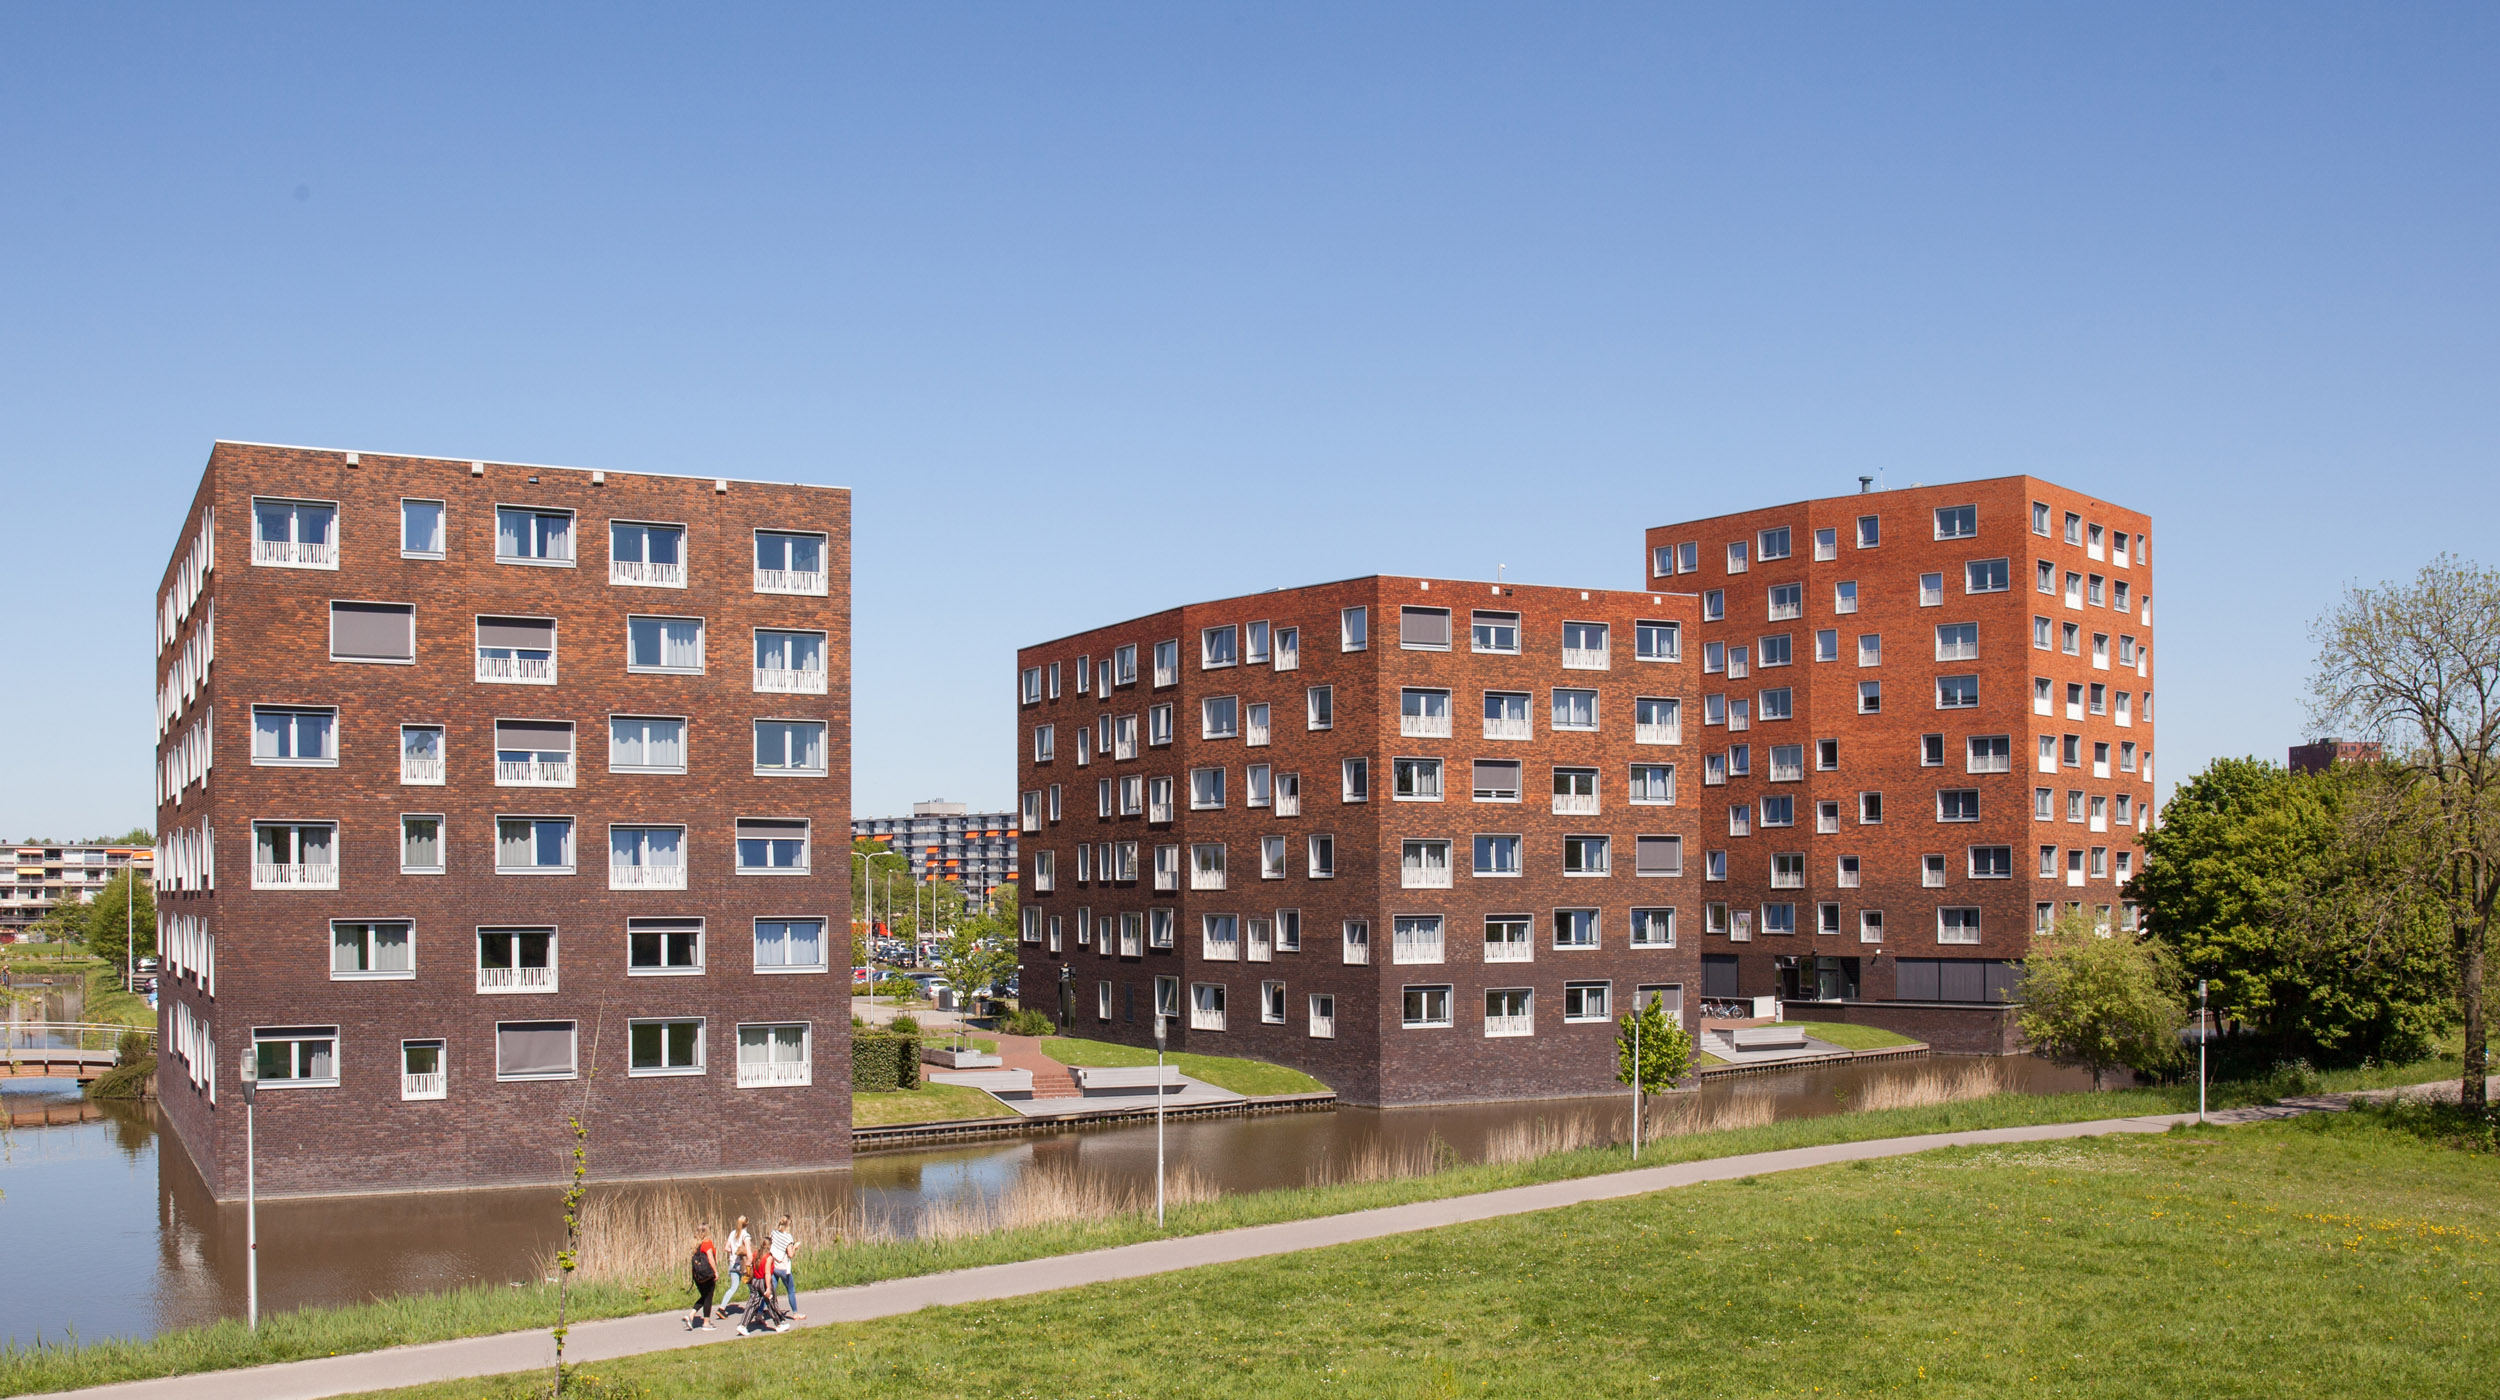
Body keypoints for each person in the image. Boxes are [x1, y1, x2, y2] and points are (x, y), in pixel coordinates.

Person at [737, 1243, 789, 1334]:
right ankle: (779, 1324)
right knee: (772, 1303)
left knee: (752, 1303)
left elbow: (748, 1263)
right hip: (763, 1281)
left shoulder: (755, 1254)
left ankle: (743, 1325)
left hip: (755, 1281)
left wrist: (750, 1273)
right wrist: (768, 1288)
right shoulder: (768, 1257)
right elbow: (767, 1273)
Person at [769, 1215, 804, 1320]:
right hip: (783, 1268)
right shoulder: (788, 1237)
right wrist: (795, 1247)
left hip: (773, 1266)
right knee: (791, 1290)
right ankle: (795, 1313)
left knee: (770, 1291)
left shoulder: (773, 1233)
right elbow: (790, 1254)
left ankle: (760, 1313)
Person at [720, 1216, 754, 1319]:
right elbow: (748, 1253)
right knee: (752, 1288)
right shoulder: (746, 1236)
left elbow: (726, 1248)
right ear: (747, 1224)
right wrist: (751, 1262)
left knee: (733, 1287)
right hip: (742, 1264)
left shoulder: (733, 1233)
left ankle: (721, 1308)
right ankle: (755, 1309)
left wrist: (734, 1252)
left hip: (732, 1263)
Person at [686, 1230, 718, 1331]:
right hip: (707, 1274)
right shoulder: (707, 1243)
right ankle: (706, 1323)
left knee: (704, 1297)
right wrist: (715, 1271)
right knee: (708, 1297)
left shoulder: (695, 1245)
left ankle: (691, 1315)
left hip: (698, 1276)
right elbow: (710, 1258)